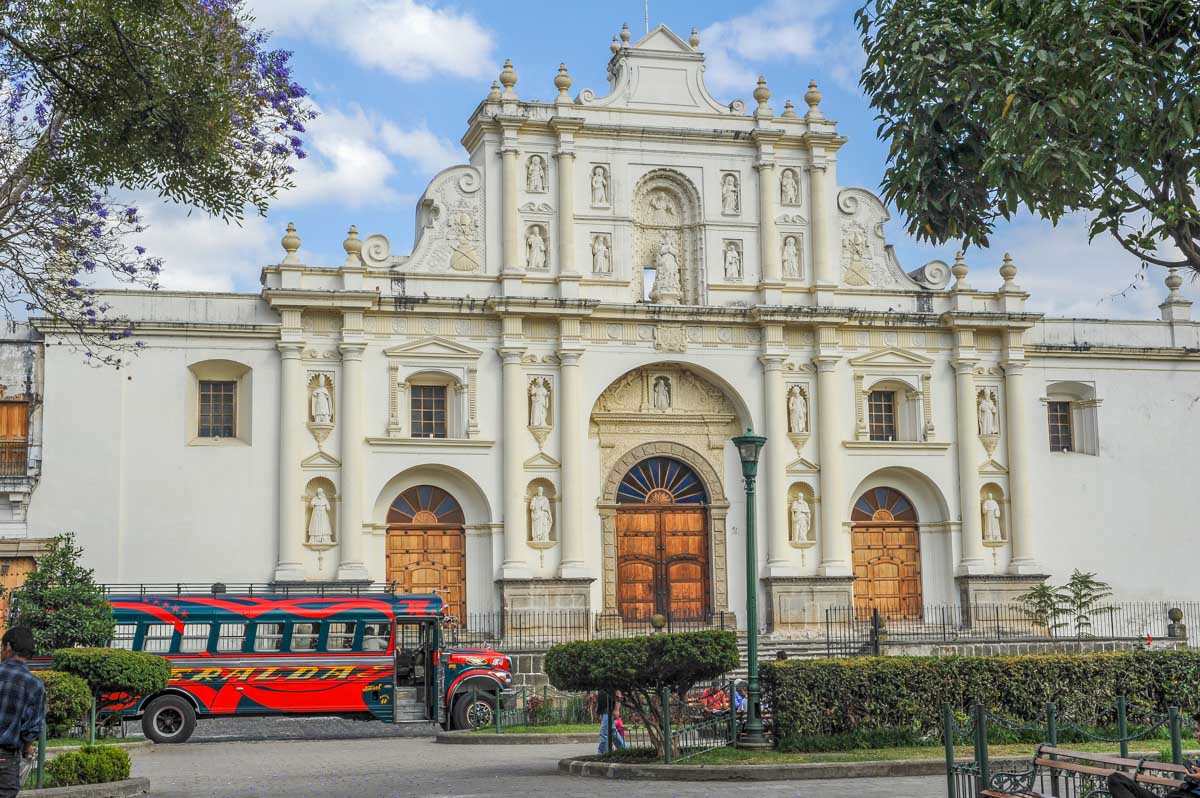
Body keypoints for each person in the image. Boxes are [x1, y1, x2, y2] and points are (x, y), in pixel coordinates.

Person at [0, 626, 45, 798]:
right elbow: (32, 728)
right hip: (6, 758)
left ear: (9, 647)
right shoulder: (35, 685)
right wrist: (28, 748)